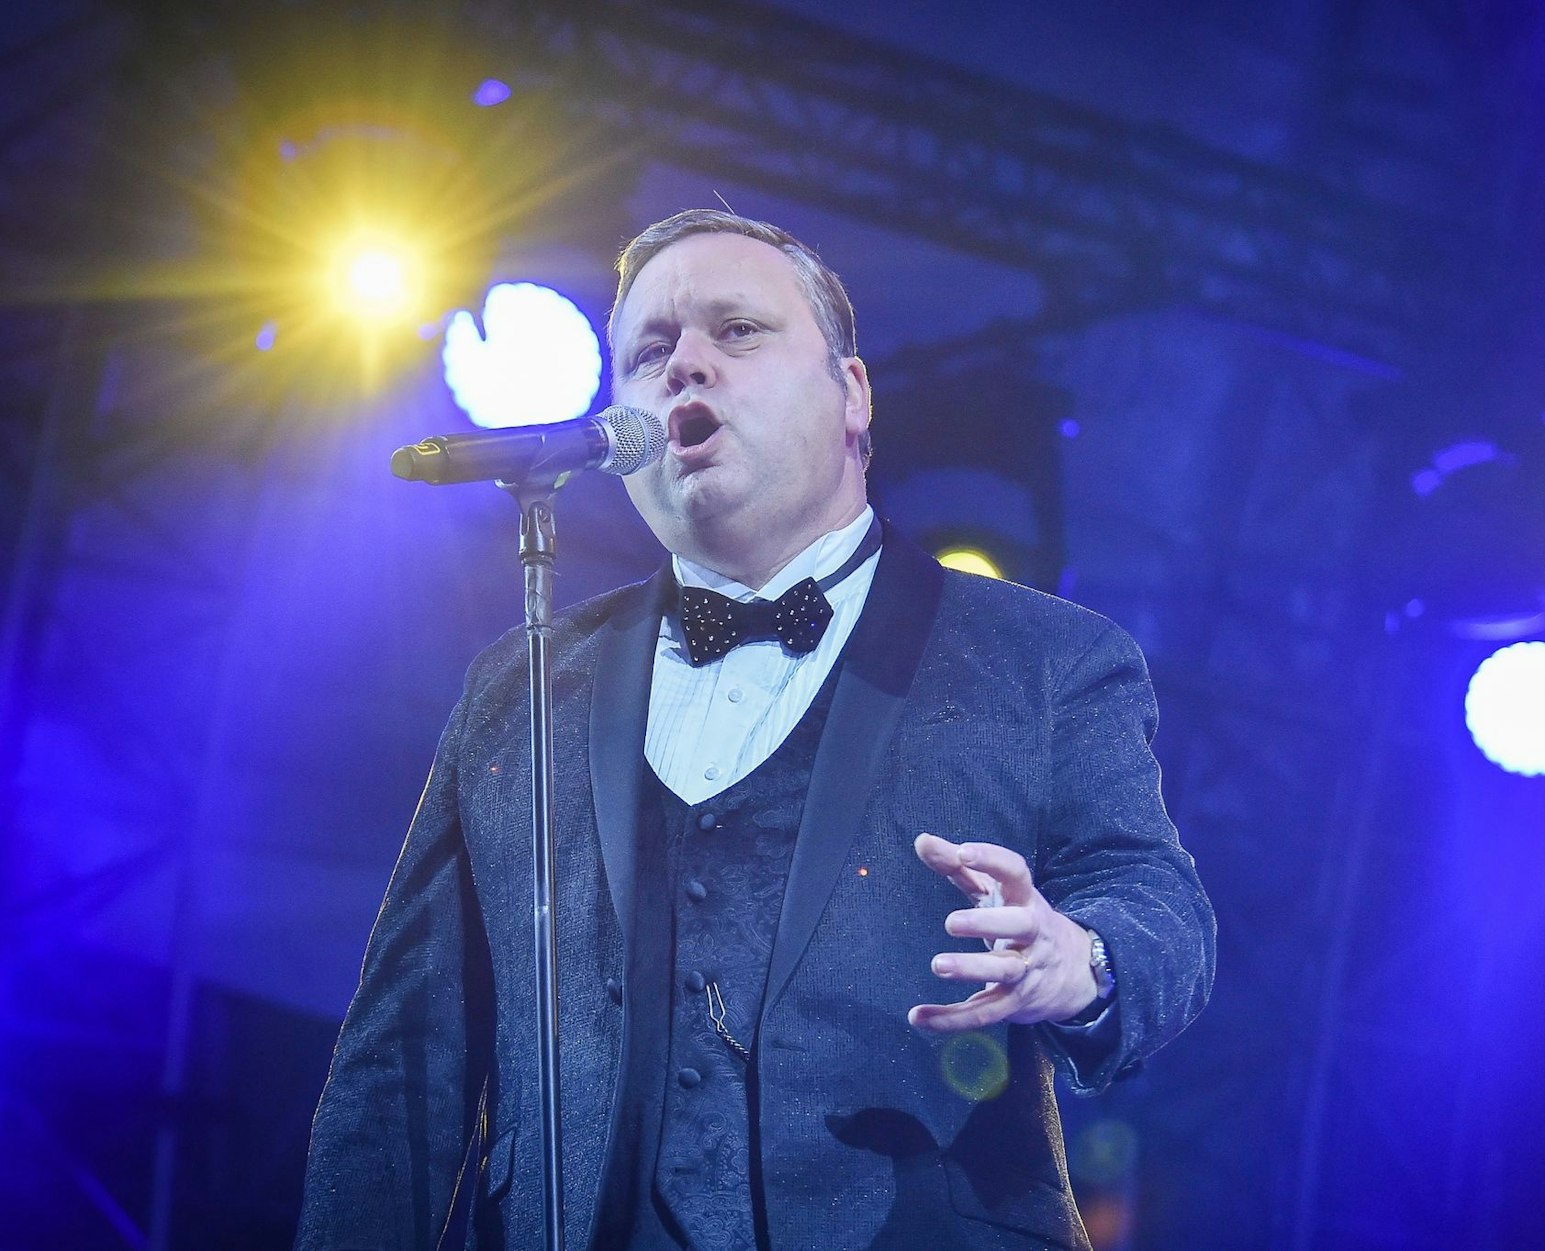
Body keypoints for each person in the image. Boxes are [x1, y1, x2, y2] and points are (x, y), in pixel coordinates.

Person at [296, 209, 1214, 1251]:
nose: (685, 365)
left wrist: (1079, 958)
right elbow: (401, 1070)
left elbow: (1157, 904)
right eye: (650, 351)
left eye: (736, 332)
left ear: (853, 397)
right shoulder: (520, 689)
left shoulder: (1042, 658)